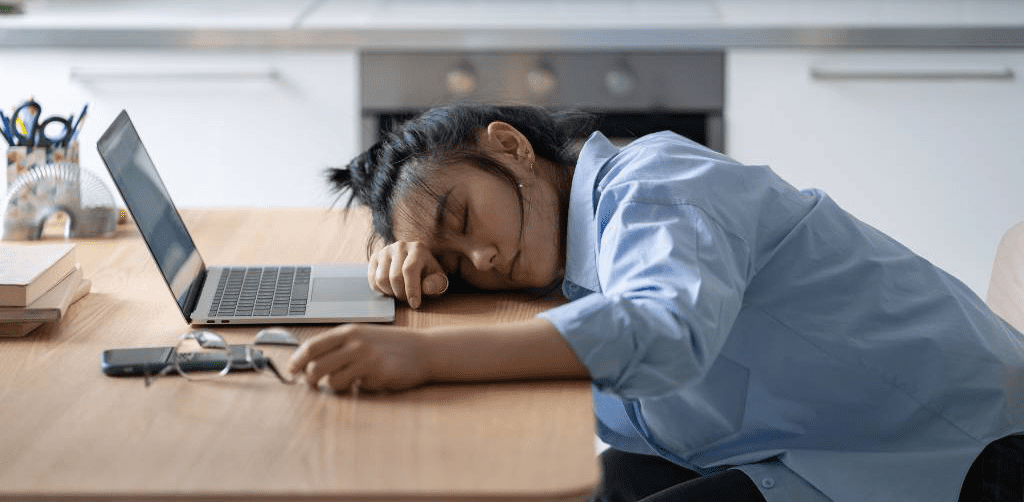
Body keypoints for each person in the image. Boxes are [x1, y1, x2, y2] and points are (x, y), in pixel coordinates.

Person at [286, 104, 1024, 502]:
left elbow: (661, 332)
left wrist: (426, 354)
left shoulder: (657, 183)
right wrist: (413, 273)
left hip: (962, 448)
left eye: (465, 217)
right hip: (805, 442)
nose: (479, 259)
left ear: (510, 147)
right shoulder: (562, 259)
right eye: (454, 262)